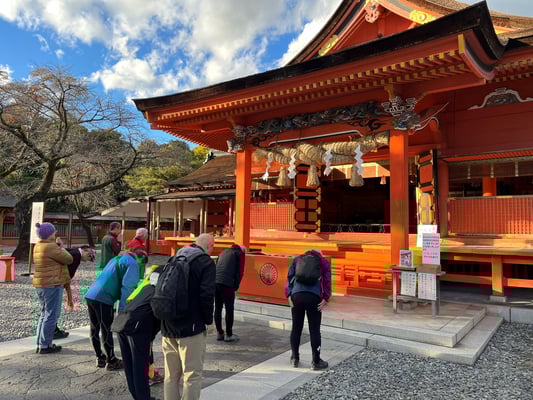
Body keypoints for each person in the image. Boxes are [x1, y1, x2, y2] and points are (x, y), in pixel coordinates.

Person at [162, 233, 215, 400]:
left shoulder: (174, 258)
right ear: (210, 246)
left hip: (168, 324)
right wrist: (209, 321)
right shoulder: (206, 262)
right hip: (191, 326)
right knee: (192, 375)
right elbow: (207, 295)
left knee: (171, 375)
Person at [84, 248, 146, 370]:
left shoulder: (116, 259)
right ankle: (111, 360)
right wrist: (123, 310)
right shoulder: (132, 264)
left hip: (91, 294)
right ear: (140, 259)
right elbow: (127, 288)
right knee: (106, 329)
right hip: (104, 297)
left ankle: (100, 357)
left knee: (94, 328)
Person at [117, 263, 161, 400]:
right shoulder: (160, 292)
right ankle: (143, 398)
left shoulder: (146, 286)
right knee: (140, 366)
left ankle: (138, 396)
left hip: (122, 321)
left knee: (129, 364)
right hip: (136, 326)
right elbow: (159, 316)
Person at [285, 249, 331, 370]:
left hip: (297, 295)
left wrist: (288, 294)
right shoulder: (323, 262)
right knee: (314, 330)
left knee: (296, 328)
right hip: (314, 297)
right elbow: (327, 280)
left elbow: (289, 277)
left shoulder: (297, 259)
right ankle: (316, 361)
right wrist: (326, 298)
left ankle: (295, 358)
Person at [32, 222, 73, 354]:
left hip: (41, 284)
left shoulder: (38, 245)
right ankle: (45, 345)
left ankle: (41, 344)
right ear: (49, 234)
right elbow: (69, 259)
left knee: (44, 314)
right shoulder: (51, 247)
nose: (55, 233)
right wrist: (61, 246)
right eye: (54, 232)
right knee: (51, 315)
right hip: (52, 285)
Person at [53, 241, 96, 340]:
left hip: (57, 281)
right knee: (54, 308)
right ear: (85, 250)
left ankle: (53, 329)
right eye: (89, 256)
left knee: (52, 308)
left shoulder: (74, 252)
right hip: (58, 282)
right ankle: (53, 330)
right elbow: (66, 269)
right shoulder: (76, 255)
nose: (87, 260)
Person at [214, 244, 245, 342]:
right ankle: (229, 334)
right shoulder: (240, 254)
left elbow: (217, 265)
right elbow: (240, 271)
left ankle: (220, 333)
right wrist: (235, 286)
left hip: (216, 281)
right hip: (227, 283)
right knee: (229, 308)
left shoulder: (223, 251)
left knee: (218, 307)